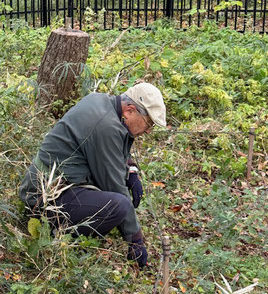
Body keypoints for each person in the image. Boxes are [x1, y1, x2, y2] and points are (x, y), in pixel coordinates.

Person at [19, 82, 166, 268]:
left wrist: (131, 169)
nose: (149, 130)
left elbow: (117, 146)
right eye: (149, 123)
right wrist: (135, 239)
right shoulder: (106, 126)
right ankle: (62, 237)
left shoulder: (102, 101)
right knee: (119, 205)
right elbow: (114, 186)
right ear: (129, 110)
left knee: (117, 201)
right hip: (43, 198)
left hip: (46, 184)